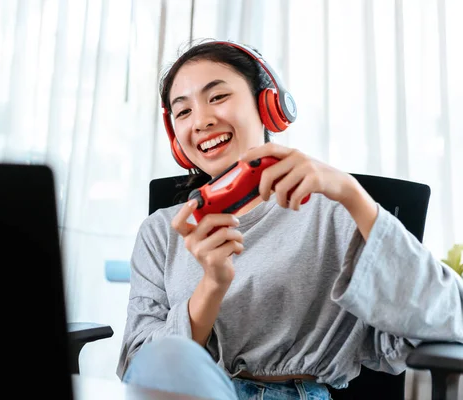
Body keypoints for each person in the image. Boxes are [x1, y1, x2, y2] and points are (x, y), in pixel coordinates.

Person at [116, 40, 463, 400]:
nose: (202, 120)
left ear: (267, 105)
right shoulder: (161, 231)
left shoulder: (334, 213)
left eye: (217, 97)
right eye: (183, 112)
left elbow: (449, 316)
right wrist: (211, 288)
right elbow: (140, 368)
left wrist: (353, 196)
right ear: (176, 137)